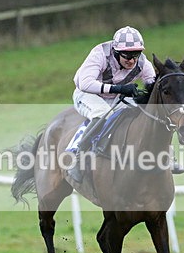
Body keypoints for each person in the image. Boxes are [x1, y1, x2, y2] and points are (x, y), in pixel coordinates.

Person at [65, 26, 155, 182]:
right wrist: (119, 88)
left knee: (144, 115)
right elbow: (84, 83)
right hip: (87, 94)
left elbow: (152, 83)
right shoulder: (99, 54)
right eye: (127, 56)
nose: (132, 60)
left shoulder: (142, 62)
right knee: (102, 113)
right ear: (116, 52)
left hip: (116, 97)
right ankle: (79, 158)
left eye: (136, 55)